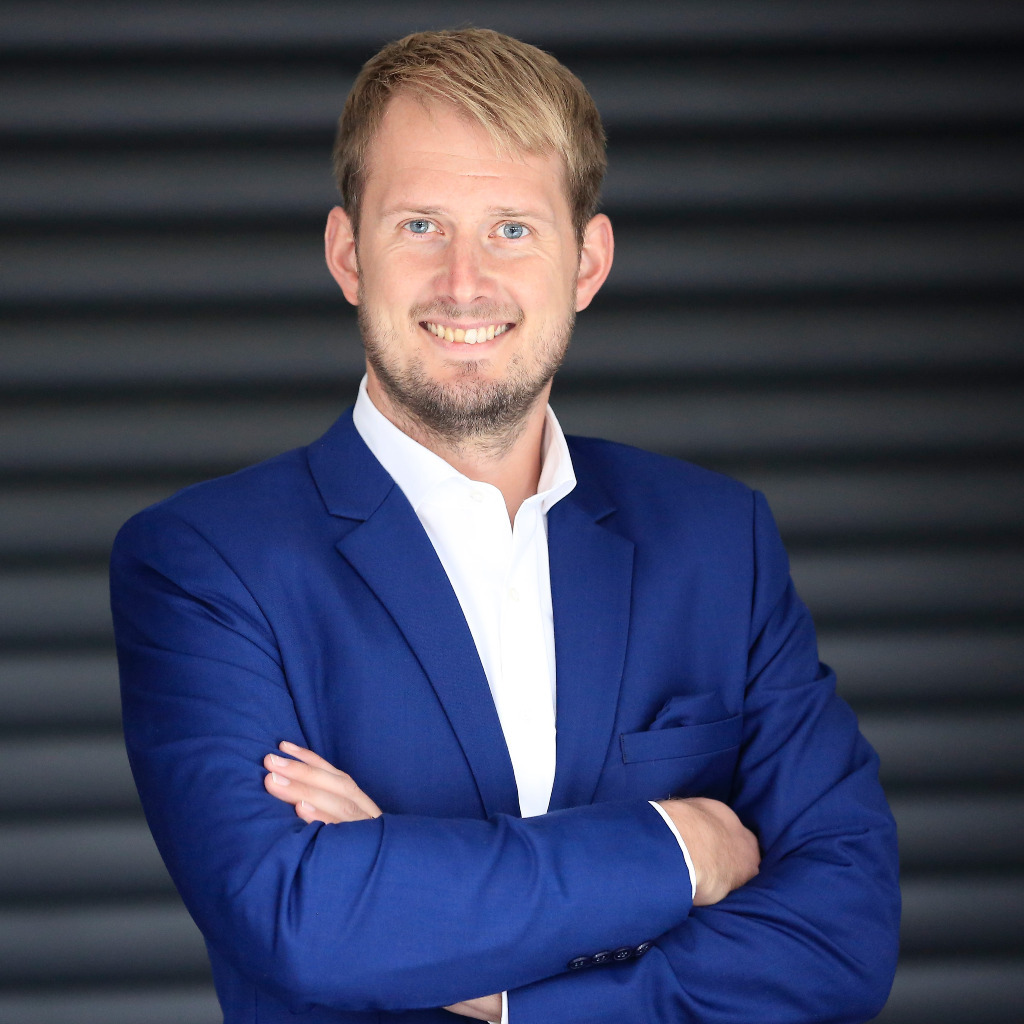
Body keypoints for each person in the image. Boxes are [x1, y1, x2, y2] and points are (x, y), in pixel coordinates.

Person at [110, 27, 900, 1024]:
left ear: (587, 262)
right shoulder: (206, 564)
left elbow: (842, 935)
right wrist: (678, 845)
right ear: (348, 254)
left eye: (513, 229)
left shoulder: (717, 542)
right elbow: (302, 920)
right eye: (420, 225)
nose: (464, 282)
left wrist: (483, 974)